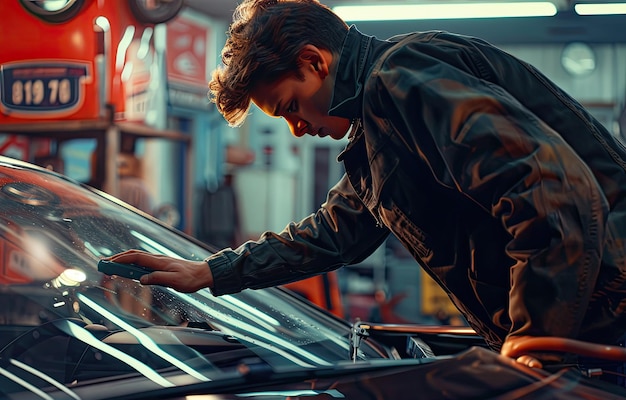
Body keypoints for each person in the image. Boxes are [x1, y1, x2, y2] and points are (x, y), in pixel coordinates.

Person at [107, 0, 626, 371]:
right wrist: (209, 271)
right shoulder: (378, 127)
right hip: (590, 330)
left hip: (607, 326)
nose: (297, 127)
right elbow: (337, 233)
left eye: (290, 106)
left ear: (315, 61)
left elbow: (551, 193)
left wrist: (537, 336)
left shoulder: (400, 81)